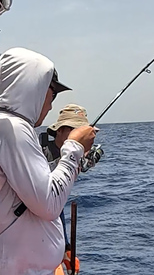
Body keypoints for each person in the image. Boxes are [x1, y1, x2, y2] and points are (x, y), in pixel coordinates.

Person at [0, 47, 97, 275]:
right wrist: (74, 148)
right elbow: (49, 203)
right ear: (34, 88)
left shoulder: (5, 127)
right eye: (52, 93)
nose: (52, 104)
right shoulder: (11, 129)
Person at [39, 104, 103, 274]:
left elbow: (56, 207)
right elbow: (47, 195)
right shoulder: (39, 155)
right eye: (75, 130)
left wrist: (66, 247)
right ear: (59, 131)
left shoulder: (73, 155)